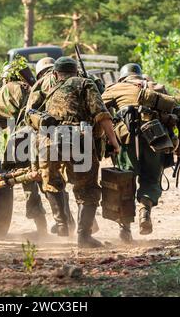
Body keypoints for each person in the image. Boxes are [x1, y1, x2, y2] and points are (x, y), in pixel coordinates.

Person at [28, 57, 120, 248]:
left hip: (47, 140)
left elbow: (29, 114)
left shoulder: (45, 87)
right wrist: (114, 142)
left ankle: (62, 225)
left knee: (51, 183)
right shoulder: (85, 83)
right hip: (78, 138)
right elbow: (101, 114)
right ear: (76, 72)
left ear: (55, 74)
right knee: (87, 189)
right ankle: (84, 237)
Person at [102, 64, 180, 242]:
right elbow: (178, 113)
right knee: (151, 179)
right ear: (140, 75)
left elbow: (97, 109)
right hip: (155, 141)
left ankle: (125, 229)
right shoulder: (156, 88)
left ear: (123, 76)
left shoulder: (116, 88)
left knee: (124, 182)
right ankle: (145, 212)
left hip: (126, 142)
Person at [0, 63, 48, 236]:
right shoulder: (34, 89)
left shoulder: (3, 92)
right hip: (41, 139)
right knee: (49, 182)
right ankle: (64, 225)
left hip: (19, 143)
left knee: (28, 182)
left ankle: (42, 229)